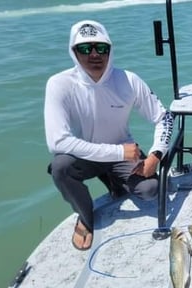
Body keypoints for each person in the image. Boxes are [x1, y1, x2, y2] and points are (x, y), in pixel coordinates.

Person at [44, 20, 173, 251]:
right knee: (60, 168)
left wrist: (155, 156)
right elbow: (58, 141)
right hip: (88, 153)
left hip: (123, 155)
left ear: (110, 49)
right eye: (85, 48)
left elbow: (164, 117)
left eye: (101, 47)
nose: (94, 54)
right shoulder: (59, 84)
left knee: (151, 190)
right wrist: (117, 151)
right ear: (73, 52)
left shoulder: (128, 80)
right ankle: (85, 217)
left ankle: (114, 179)